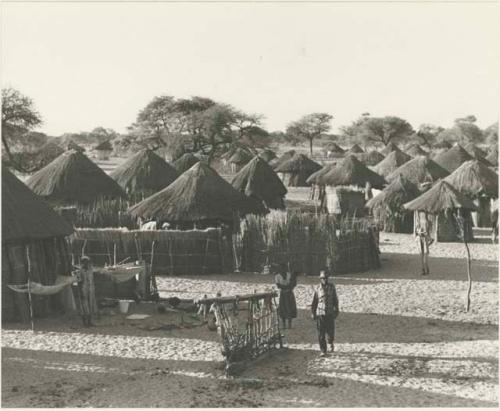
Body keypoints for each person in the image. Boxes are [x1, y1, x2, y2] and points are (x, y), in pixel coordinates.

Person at [311, 269, 339, 357]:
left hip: (330, 312)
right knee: (321, 333)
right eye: (323, 278)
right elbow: (314, 302)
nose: (324, 279)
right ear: (320, 279)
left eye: (326, 278)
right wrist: (313, 312)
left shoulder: (332, 287)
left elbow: (335, 299)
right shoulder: (317, 288)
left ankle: (330, 342)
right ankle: (323, 350)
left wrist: (336, 309)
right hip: (320, 313)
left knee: (330, 331)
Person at [76, 256, 97, 327]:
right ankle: (85, 322)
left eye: (87, 262)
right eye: (84, 262)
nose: (86, 263)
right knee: (84, 306)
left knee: (91, 305)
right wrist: (80, 291)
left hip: (90, 290)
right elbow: (79, 281)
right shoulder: (80, 271)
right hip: (83, 289)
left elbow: (92, 280)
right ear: (82, 263)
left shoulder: (90, 270)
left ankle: (90, 322)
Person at [275, 263, 297, 329]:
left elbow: (293, 284)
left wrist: (288, 286)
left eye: (284, 268)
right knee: (283, 309)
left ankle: (289, 324)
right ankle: (284, 324)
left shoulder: (289, 275)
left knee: (290, 308)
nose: (283, 270)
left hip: (289, 294)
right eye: (281, 268)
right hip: (283, 294)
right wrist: (287, 286)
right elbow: (278, 286)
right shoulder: (277, 276)